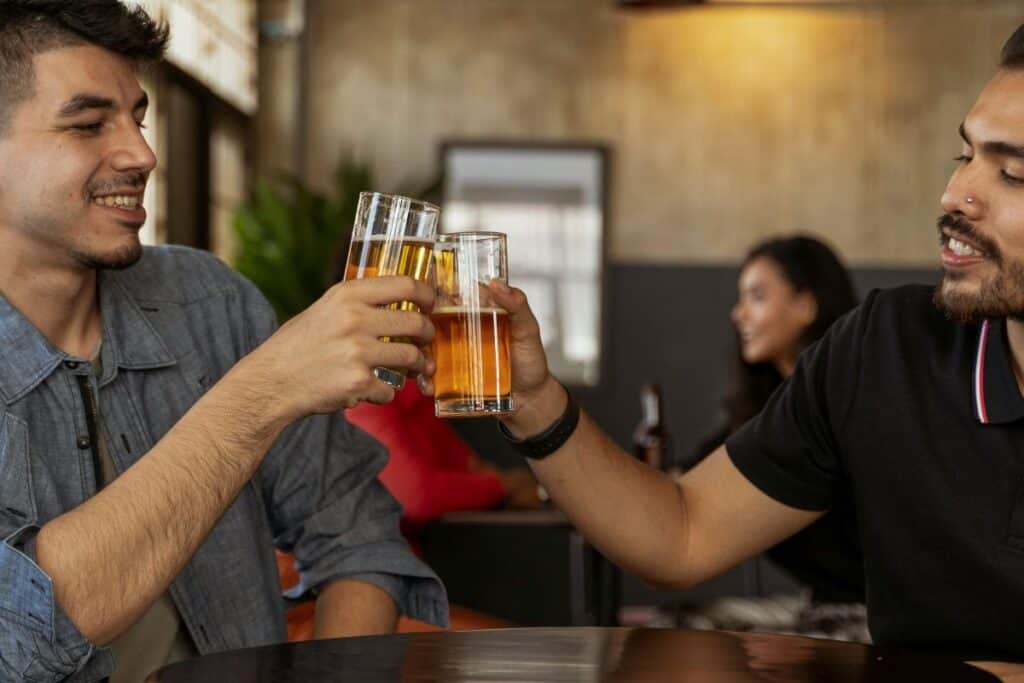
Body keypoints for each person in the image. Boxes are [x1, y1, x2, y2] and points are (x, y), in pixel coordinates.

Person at [456, 24, 1024, 667]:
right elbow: (682, 535)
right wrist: (532, 399)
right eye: (964, 157)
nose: (955, 195)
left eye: (1011, 174)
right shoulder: (884, 349)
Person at [0, 3, 445, 681]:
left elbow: (359, 537)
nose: (141, 153)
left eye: (138, 118)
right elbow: (22, 633)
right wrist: (262, 391)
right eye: (89, 124)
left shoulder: (210, 303)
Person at [680, 236, 865, 638]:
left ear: (806, 305)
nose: (738, 313)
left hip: (871, 615)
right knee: (673, 628)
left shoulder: (851, 397)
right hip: (817, 604)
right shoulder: (770, 409)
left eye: (757, 296)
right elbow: (694, 469)